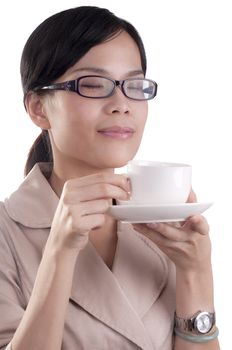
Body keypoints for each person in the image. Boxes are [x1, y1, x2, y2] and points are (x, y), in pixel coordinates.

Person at [0, 6, 220, 350]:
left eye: (134, 85)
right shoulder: (6, 232)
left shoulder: (162, 223)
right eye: (94, 84)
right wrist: (59, 251)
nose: (122, 104)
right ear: (39, 108)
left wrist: (196, 273)